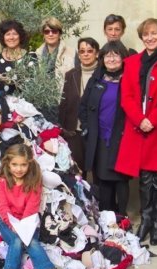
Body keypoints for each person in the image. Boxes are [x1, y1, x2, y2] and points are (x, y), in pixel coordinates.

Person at [115, 18, 157, 246]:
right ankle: (145, 221)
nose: (150, 37)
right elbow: (127, 96)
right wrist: (139, 119)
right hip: (139, 127)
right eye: (146, 34)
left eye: (154, 33)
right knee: (144, 179)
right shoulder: (132, 62)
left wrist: (152, 120)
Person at [0, 144, 66, 269]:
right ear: (7, 163)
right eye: (14, 164)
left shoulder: (34, 181)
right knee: (17, 241)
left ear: (30, 163)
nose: (18, 169)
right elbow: (2, 206)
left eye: (23, 165)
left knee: (31, 241)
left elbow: (32, 206)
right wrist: (13, 224)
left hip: (28, 221)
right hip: (8, 222)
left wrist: (24, 225)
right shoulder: (2, 181)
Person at [79, 41, 131, 215]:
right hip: (99, 138)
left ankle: (122, 217)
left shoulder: (130, 79)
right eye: (107, 55)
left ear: (123, 58)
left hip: (122, 138)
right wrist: (86, 128)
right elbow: (83, 106)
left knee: (121, 179)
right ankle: (106, 217)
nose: (111, 59)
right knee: (102, 178)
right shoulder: (97, 79)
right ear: (102, 59)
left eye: (116, 55)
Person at [58, 37, 100, 171]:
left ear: (96, 53)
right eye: (82, 51)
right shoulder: (71, 74)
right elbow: (64, 103)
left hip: (97, 131)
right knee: (77, 172)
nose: (86, 54)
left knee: (97, 173)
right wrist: (62, 130)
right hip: (74, 132)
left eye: (90, 51)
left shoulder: (103, 74)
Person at [0, 19, 38, 95]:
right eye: (8, 34)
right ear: (3, 37)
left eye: (15, 34)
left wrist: (0, 77)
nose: (11, 37)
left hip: (21, 104)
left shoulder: (30, 57)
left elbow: (32, 83)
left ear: (20, 36)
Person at [35, 17, 76, 84]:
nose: (50, 34)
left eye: (54, 31)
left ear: (59, 33)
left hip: (64, 93)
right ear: (43, 34)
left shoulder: (72, 52)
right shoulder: (37, 54)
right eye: (47, 32)